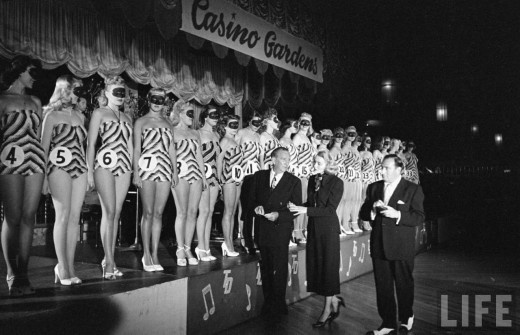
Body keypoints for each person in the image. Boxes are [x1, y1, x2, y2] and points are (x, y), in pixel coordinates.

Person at [360, 154, 425, 335]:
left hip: (401, 247)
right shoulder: (373, 187)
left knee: (404, 285)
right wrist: (372, 210)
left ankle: (406, 318)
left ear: (399, 170)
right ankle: (388, 323)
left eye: (386, 168)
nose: (382, 171)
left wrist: (397, 215)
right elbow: (363, 213)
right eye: (381, 167)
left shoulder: (412, 189)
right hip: (379, 246)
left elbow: (419, 216)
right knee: (383, 287)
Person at [0, 55, 44, 296]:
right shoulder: (3, 99)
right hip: (9, 160)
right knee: (13, 217)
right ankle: (11, 270)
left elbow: (37, 134)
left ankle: (24, 273)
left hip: (35, 158)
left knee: (29, 217)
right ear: (19, 72)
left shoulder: (36, 101)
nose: (35, 78)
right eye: (32, 72)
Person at [289, 151, 345, 328]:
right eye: (315, 162)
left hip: (328, 230)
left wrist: (306, 211)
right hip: (313, 228)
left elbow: (330, 210)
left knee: (328, 269)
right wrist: (299, 207)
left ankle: (327, 309)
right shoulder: (313, 179)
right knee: (319, 268)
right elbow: (312, 204)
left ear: (328, 163)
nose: (315, 165)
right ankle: (334, 300)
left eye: (319, 162)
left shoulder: (337, 182)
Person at [41, 75, 88, 285]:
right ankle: (61, 266)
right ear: (65, 90)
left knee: (74, 218)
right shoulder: (51, 115)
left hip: (80, 167)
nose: (79, 95)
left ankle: (70, 266)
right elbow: (43, 149)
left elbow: (84, 147)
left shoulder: (81, 116)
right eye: (76, 90)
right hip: (58, 167)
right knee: (62, 215)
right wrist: (42, 179)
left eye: (80, 91)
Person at [86, 75, 133, 280]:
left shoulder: (128, 118)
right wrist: (88, 172)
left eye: (123, 92)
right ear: (106, 93)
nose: (120, 96)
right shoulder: (99, 113)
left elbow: (130, 146)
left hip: (124, 166)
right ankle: (109, 262)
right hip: (104, 165)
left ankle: (109, 258)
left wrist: (133, 169)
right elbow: (90, 144)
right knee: (109, 211)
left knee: (116, 213)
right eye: (116, 92)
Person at [248, 147, 302, 316]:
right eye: (283, 159)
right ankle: (268, 302)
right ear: (273, 160)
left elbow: (295, 210)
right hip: (262, 229)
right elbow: (252, 200)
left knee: (279, 267)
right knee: (266, 266)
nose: (287, 162)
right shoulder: (259, 177)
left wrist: (278, 215)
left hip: (280, 229)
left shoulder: (294, 181)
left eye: (288, 159)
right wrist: (256, 207)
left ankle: (279, 304)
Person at [133, 88, 178, 271]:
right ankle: (146, 255)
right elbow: (137, 149)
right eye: (154, 99)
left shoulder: (168, 123)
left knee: (159, 213)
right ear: (149, 99)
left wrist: (174, 171)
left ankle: (155, 253)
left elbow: (171, 149)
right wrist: (136, 172)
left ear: (165, 102)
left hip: (165, 169)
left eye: (161, 99)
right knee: (148, 212)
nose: (157, 103)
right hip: (147, 169)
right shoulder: (141, 122)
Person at [170, 100, 207, 266]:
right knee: (182, 212)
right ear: (179, 114)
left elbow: (199, 155)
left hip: (196, 174)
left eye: (193, 113)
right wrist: (173, 173)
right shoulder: (172, 131)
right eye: (189, 113)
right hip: (180, 174)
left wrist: (204, 177)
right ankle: (179, 248)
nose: (192, 117)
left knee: (193, 212)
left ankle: (187, 247)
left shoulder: (195, 133)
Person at [195, 105, 221, 261]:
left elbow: (218, 159)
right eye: (212, 115)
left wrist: (219, 179)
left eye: (217, 115)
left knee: (210, 211)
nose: (215, 118)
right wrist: (203, 178)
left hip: (214, 177)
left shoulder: (216, 135)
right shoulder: (198, 133)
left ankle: (206, 246)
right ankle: (200, 246)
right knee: (203, 211)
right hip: (203, 175)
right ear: (205, 117)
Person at [236, 111, 263, 254]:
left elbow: (261, 157)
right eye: (254, 122)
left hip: (256, 174)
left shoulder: (258, 136)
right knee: (244, 208)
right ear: (249, 121)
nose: (257, 125)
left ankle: (253, 238)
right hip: (244, 173)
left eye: (259, 123)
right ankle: (244, 237)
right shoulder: (241, 133)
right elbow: (235, 151)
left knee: (255, 207)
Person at [217, 114, 243, 257]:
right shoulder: (225, 141)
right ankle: (227, 243)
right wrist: (220, 181)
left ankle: (229, 242)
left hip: (237, 178)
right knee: (228, 212)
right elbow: (219, 161)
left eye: (236, 125)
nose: (235, 128)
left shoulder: (234, 140)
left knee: (232, 212)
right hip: (228, 178)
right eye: (232, 125)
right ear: (225, 126)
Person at [293, 112, 314, 243]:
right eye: (303, 122)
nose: (305, 125)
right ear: (299, 123)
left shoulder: (307, 138)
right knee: (299, 204)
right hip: (300, 175)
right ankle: (296, 232)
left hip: (308, 175)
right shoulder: (297, 138)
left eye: (308, 122)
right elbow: (293, 157)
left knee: (306, 203)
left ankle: (302, 230)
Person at [278, 118, 299, 247]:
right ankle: (285, 236)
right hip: (286, 175)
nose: (297, 126)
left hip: (293, 174)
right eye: (294, 124)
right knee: (284, 206)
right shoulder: (282, 141)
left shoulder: (291, 140)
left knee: (292, 206)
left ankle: (289, 235)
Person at [341, 126, 362, 234]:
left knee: (353, 201)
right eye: (350, 134)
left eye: (354, 134)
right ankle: (344, 223)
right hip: (347, 177)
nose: (352, 136)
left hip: (355, 178)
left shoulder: (354, 150)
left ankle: (350, 222)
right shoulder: (345, 148)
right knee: (346, 201)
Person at [359, 134, 375, 231]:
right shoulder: (361, 153)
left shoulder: (371, 153)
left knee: (369, 200)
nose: (369, 143)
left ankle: (366, 219)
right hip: (363, 179)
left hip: (370, 179)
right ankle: (362, 220)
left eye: (370, 141)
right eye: (367, 141)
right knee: (363, 200)